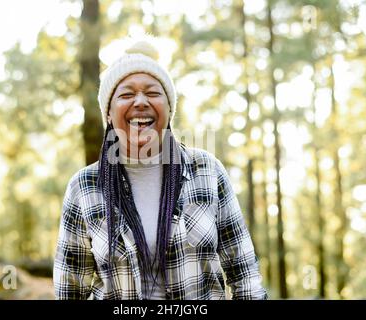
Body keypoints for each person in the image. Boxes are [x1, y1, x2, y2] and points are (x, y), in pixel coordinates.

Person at [53, 36, 267, 300]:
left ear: (168, 109)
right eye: (126, 94)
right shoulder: (84, 186)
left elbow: (245, 277)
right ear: (108, 112)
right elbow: (70, 291)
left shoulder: (207, 171)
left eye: (153, 93)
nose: (140, 102)